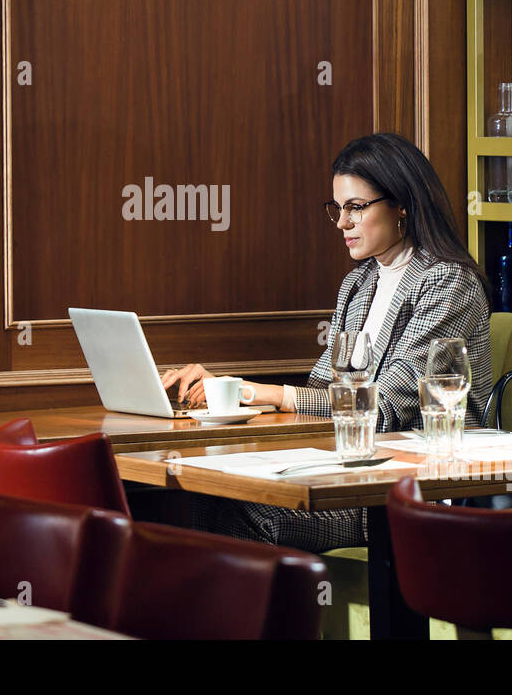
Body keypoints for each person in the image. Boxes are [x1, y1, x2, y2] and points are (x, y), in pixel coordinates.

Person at [161, 132, 492, 552]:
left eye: (355, 207)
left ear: (402, 204)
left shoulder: (448, 282)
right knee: (208, 493)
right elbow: (320, 392)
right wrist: (230, 394)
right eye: (337, 209)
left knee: (242, 509)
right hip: (350, 473)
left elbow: (386, 407)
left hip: (406, 493)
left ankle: (259, 618)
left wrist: (254, 390)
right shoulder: (358, 284)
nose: (342, 223)